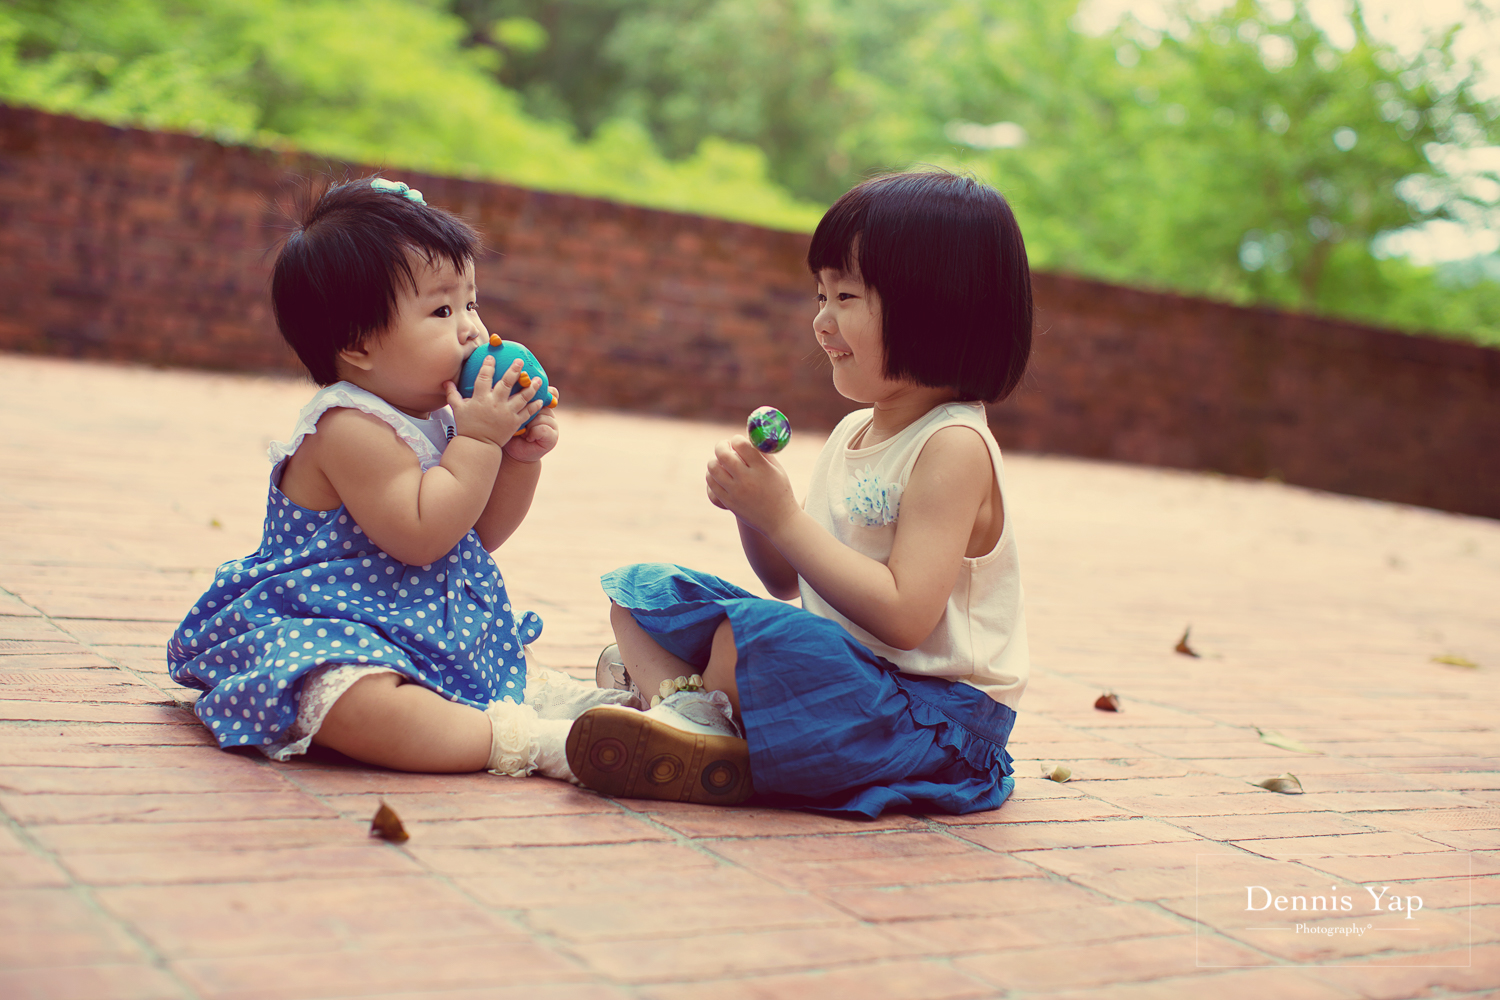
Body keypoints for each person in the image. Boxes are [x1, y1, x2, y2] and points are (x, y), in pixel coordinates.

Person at [570, 170, 1033, 817]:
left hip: (934, 720)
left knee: (750, 638)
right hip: (847, 679)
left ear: (937, 306)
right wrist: (754, 512)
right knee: (643, 595)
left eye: (846, 296)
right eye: (820, 295)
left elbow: (904, 618)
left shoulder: (952, 446)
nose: (821, 321)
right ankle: (694, 715)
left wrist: (782, 516)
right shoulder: (853, 431)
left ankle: (687, 710)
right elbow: (786, 578)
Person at [167, 177, 631, 780]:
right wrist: (481, 442)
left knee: (495, 669)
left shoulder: (443, 416)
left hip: (418, 624)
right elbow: (421, 536)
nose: (471, 329)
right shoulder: (347, 427)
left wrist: (518, 457)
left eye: (471, 302)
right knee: (352, 700)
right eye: (441, 310)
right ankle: (530, 742)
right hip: (331, 623)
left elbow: (478, 532)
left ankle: (589, 714)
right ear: (359, 344)